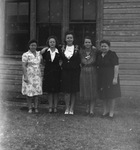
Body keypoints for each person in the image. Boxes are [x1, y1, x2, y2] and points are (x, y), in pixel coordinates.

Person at [96, 39, 121, 118]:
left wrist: (115, 78)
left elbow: (116, 66)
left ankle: (111, 112)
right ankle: (105, 111)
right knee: (104, 95)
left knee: (111, 95)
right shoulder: (99, 55)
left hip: (111, 77)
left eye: (105, 46)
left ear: (109, 47)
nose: (103, 48)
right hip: (102, 78)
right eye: (102, 46)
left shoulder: (112, 54)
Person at [61, 31, 81, 115]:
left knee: (73, 91)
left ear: (73, 39)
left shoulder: (77, 48)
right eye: (68, 37)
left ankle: (72, 108)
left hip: (75, 71)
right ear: (65, 39)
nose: (69, 39)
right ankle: (67, 108)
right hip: (65, 71)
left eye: (71, 38)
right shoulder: (61, 48)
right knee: (67, 91)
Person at [41, 36, 61, 113]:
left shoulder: (59, 51)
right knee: (49, 91)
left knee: (56, 91)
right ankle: (50, 107)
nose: (52, 43)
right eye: (50, 42)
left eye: (53, 42)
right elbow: (40, 58)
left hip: (57, 72)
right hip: (48, 72)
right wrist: (43, 50)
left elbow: (62, 59)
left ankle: (55, 107)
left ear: (56, 43)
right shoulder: (46, 51)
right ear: (48, 43)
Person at [22, 39, 42, 113]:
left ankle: (36, 107)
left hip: (37, 75)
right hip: (29, 75)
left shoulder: (39, 54)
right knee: (29, 92)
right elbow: (24, 66)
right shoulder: (25, 54)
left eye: (35, 45)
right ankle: (30, 107)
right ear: (29, 46)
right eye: (32, 45)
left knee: (36, 92)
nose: (33, 47)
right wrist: (25, 76)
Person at [80, 36, 98, 116]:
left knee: (92, 89)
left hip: (93, 72)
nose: (87, 44)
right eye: (86, 42)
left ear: (91, 43)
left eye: (89, 42)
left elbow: (103, 52)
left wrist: (96, 48)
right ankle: (87, 108)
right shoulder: (81, 52)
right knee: (86, 89)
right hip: (84, 72)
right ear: (84, 43)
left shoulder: (95, 51)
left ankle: (91, 110)